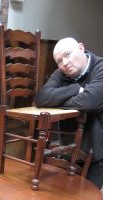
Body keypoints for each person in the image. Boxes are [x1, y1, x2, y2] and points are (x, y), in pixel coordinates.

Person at [35, 37, 103, 189]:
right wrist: (76, 89)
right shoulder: (62, 72)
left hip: (97, 153)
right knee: (63, 198)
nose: (64, 63)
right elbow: (41, 98)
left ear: (81, 47)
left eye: (67, 54)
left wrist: (58, 99)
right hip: (68, 149)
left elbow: (89, 102)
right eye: (59, 61)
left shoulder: (102, 67)